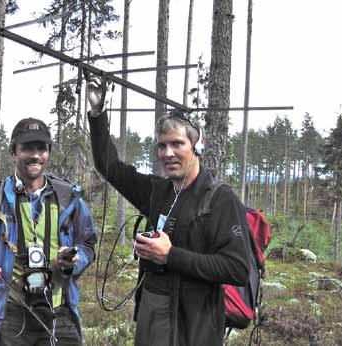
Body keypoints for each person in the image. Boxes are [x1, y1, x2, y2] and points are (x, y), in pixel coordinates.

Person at [86, 77, 250, 346]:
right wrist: (97, 115)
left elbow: (237, 268)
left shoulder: (219, 199)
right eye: (162, 145)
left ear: (196, 145)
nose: (168, 153)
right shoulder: (157, 191)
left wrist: (170, 255)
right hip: (153, 321)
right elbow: (110, 167)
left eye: (177, 144)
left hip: (195, 330)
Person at [0, 117, 97, 346]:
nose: (35, 155)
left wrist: (74, 260)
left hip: (58, 309)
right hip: (9, 312)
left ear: (49, 152)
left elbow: (88, 244)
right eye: (27, 148)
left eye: (41, 148)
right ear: (14, 152)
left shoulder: (67, 198)